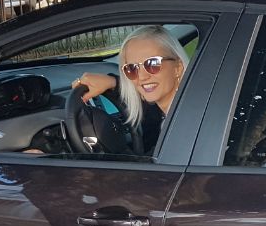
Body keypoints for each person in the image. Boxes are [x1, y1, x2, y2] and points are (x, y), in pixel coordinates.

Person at [70, 25, 190, 156]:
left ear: (178, 68)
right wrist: (112, 82)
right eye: (132, 68)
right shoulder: (174, 111)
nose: (142, 77)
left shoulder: (185, 126)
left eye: (153, 64)